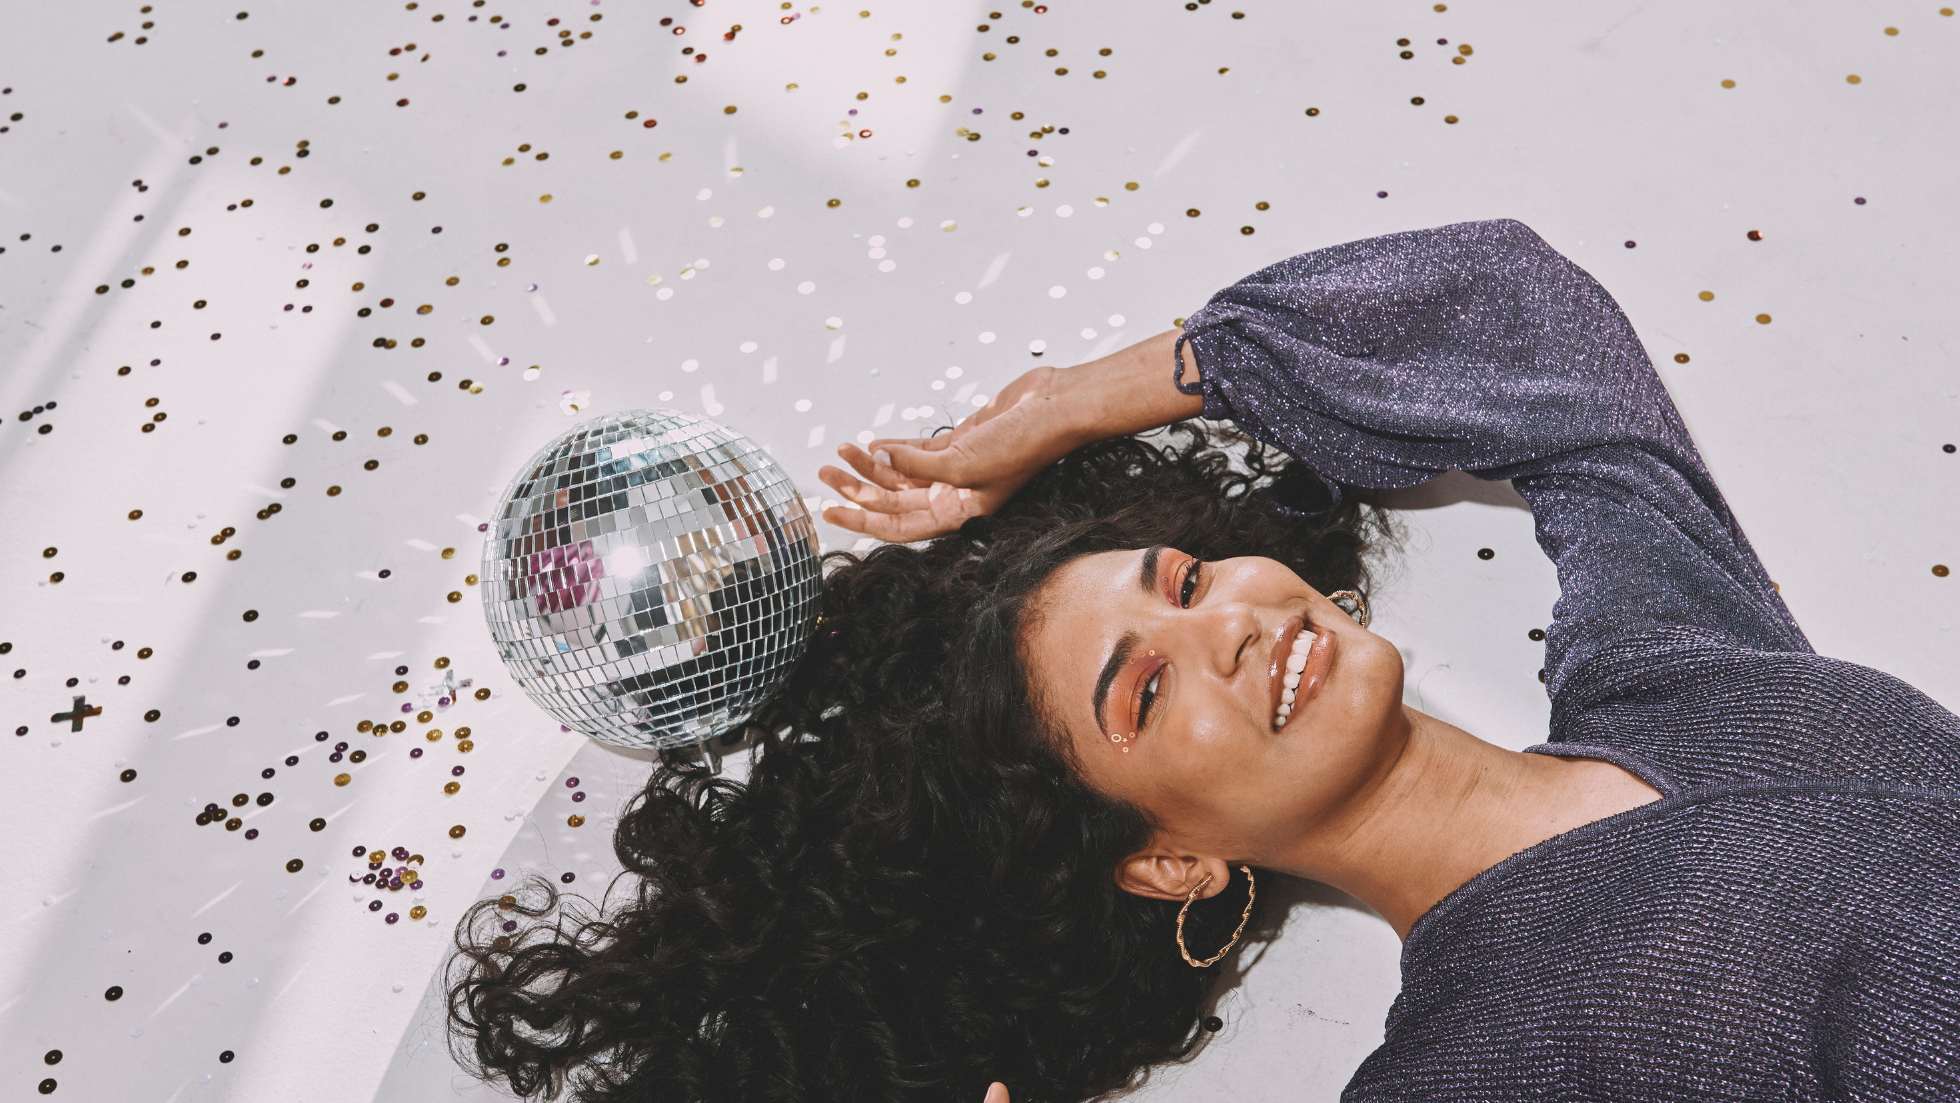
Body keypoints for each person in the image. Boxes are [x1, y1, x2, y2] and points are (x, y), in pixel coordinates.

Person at [446, 220, 1960, 1102]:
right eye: (1146, 687)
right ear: (1169, 860)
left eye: (1181, 578)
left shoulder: (1676, 667)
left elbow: (1525, 313)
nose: (1226, 618)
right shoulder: (1473, 1060)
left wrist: (1062, 404)